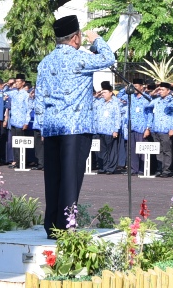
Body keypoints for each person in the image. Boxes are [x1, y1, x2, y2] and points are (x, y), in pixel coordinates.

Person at [35, 15, 115, 238]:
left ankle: (51, 224)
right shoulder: (80, 59)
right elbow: (109, 58)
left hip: (51, 127)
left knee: (53, 177)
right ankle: (65, 226)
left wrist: (41, 126)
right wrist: (97, 39)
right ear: (76, 37)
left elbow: (39, 96)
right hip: (75, 127)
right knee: (71, 178)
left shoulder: (46, 61)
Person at [93, 81, 122, 174]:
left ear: (110, 92)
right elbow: (91, 105)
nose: (103, 94)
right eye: (102, 92)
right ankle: (103, 167)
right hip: (100, 130)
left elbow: (117, 117)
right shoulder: (100, 102)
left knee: (111, 151)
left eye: (105, 92)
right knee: (102, 151)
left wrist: (116, 130)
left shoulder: (115, 103)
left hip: (110, 130)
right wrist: (95, 97)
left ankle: (111, 168)